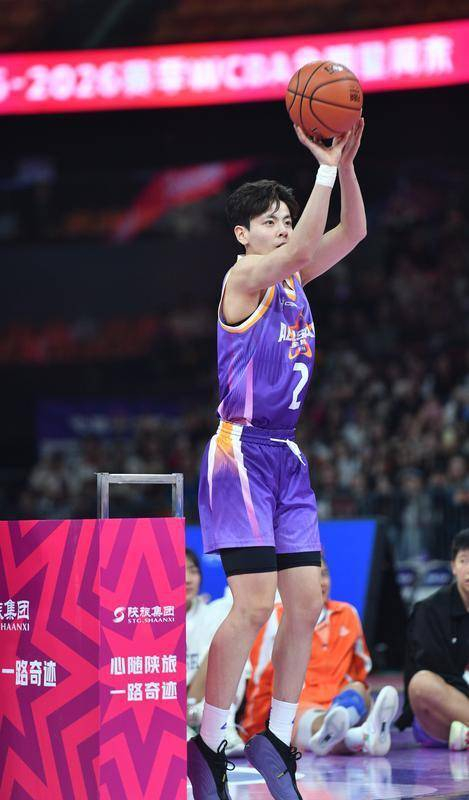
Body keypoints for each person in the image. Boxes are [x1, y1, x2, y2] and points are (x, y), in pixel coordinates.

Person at [188, 118, 367, 800]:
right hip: (239, 452)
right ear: (243, 234)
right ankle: (209, 742)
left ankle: (278, 738)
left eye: (287, 220)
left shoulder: (295, 279)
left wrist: (344, 166)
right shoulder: (244, 277)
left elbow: (352, 232)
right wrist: (319, 168)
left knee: (306, 601)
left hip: (285, 454)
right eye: (271, 221)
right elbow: (304, 246)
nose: (285, 229)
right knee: (254, 603)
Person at [242, 557, 399, 757]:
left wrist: (350, 696)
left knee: (359, 690)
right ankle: (361, 736)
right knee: (303, 716)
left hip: (339, 703)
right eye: (312, 576)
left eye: (324, 574)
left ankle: (342, 724)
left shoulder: (348, 614)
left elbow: (360, 670)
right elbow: (261, 678)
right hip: (296, 706)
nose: (321, 582)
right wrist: (256, 725)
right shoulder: (276, 617)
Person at [396, 528, 469, 751]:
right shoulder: (429, 611)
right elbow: (436, 670)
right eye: (464, 560)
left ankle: (465, 735)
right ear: (453, 566)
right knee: (422, 683)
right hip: (439, 713)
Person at [185, 548, 247, 755]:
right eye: (180, 571)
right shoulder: (149, 621)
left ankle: (221, 726)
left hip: (202, 702)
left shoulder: (212, 614)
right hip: (167, 704)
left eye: (193, 571)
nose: (187, 579)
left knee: (230, 651)